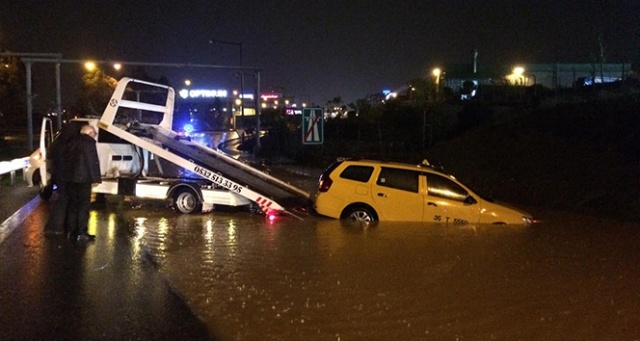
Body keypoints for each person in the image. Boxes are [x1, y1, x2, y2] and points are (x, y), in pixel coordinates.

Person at [66, 124, 102, 241]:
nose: (95, 136)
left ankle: (71, 231)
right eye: (94, 133)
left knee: (72, 205)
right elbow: (92, 162)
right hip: (84, 179)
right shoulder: (89, 143)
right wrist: (96, 178)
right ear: (90, 133)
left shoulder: (71, 141)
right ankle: (82, 232)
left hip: (70, 178)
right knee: (83, 206)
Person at [43, 123, 81, 235]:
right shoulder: (69, 144)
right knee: (63, 200)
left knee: (62, 199)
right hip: (66, 175)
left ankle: (56, 226)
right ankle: (55, 226)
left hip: (59, 175)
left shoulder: (58, 143)